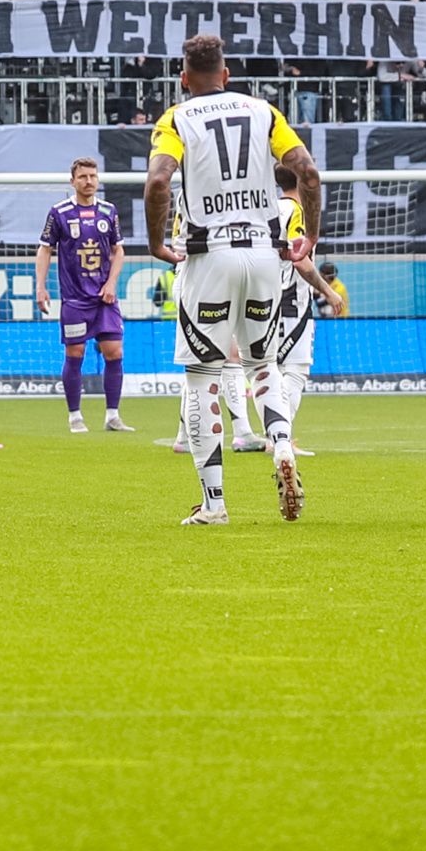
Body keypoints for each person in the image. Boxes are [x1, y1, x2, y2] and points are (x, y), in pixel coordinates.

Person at [144, 32, 321, 524]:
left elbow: (159, 181)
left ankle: (215, 504)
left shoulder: (176, 118)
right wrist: (312, 237)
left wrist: (157, 242)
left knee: (203, 376)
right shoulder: (264, 112)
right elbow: (307, 173)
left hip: (208, 257)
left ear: (184, 79)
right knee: (264, 365)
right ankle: (282, 443)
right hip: (266, 256)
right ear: (226, 75)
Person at [36, 155, 132, 433]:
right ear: (73, 181)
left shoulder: (108, 211)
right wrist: (40, 287)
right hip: (75, 300)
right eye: (83, 177)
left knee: (114, 352)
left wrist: (112, 283)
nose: (88, 181)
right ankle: (75, 416)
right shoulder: (59, 212)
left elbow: (118, 250)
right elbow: (44, 248)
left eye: (92, 176)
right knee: (75, 353)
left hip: (105, 298)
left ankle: (112, 415)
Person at [258, 187, 345, 456]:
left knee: (271, 370)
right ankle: (279, 439)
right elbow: (300, 260)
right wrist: (328, 291)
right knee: (294, 372)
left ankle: (274, 436)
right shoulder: (296, 211)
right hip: (292, 302)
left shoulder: (268, 208)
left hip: (265, 299)